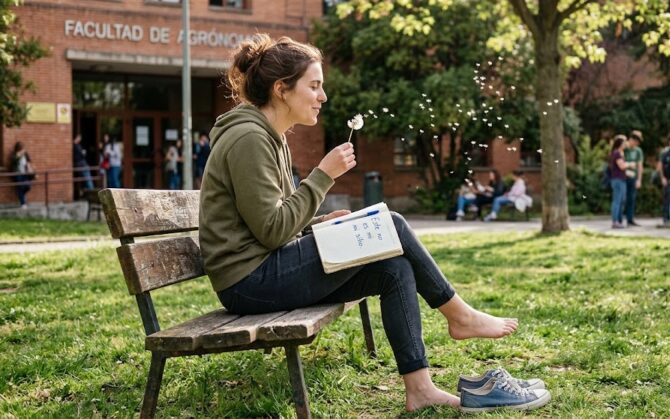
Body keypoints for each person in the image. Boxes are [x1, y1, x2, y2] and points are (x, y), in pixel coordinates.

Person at [199, 34, 549, 413]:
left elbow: (271, 219)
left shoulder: (270, 137)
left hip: (264, 268)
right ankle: (459, 316)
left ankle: (420, 388)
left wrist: (317, 223)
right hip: (248, 281)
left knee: (393, 267)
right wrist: (323, 176)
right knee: (393, 225)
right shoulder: (249, 138)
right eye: (314, 86)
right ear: (282, 89)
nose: (323, 96)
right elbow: (270, 229)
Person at [623, 130, 644, 226]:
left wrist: (639, 179)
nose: (635, 144)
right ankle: (619, 218)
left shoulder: (638, 151)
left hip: (632, 176)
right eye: (635, 141)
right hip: (623, 176)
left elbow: (640, 165)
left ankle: (630, 219)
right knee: (622, 198)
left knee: (631, 198)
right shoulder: (624, 148)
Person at [656, 133, 670, 225]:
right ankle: (666, 217)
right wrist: (662, 177)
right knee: (668, 197)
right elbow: (660, 166)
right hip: (667, 178)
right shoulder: (665, 152)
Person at [609, 135, 629, 229]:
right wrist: (630, 164)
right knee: (617, 201)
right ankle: (615, 221)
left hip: (621, 179)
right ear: (620, 143)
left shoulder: (620, 153)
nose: (626, 144)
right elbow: (622, 166)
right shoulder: (617, 153)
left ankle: (619, 220)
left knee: (621, 201)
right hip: (618, 180)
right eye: (624, 142)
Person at [11, 142, 34, 209]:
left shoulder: (25, 154)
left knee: (28, 186)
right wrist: (19, 155)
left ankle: (22, 196)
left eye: (23, 148)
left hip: (25, 173)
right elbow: (14, 161)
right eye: (21, 149)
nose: (22, 150)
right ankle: (23, 203)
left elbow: (28, 161)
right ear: (18, 149)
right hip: (18, 174)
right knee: (20, 188)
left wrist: (30, 169)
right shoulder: (14, 155)